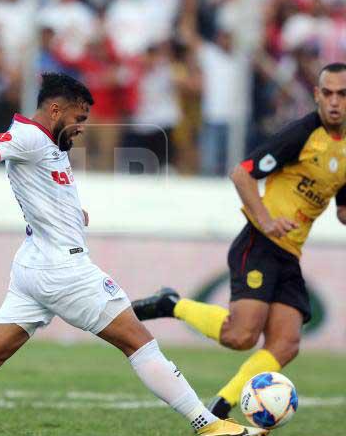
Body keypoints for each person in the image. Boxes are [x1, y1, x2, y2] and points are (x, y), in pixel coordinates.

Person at [0, 73, 267, 436]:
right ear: (55, 109)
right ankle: (209, 425)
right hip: (63, 268)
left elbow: (45, 191)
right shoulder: (29, 138)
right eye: (79, 117)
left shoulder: (50, 145)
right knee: (140, 343)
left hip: (35, 265)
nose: (81, 127)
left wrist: (74, 213)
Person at [132, 62, 346, 420]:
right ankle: (172, 304)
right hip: (259, 243)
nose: (335, 101)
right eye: (328, 93)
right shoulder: (302, 133)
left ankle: (223, 402)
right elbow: (241, 174)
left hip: (290, 254)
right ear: (316, 95)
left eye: (342, 94)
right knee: (241, 336)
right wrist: (266, 219)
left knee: (287, 342)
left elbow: (342, 211)